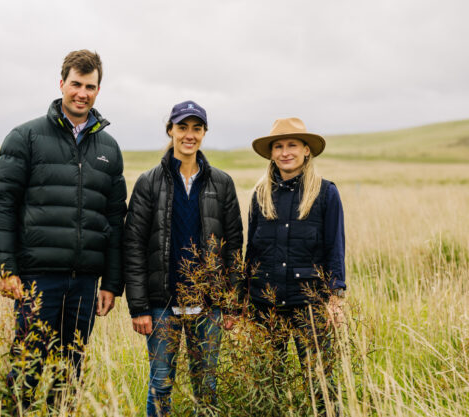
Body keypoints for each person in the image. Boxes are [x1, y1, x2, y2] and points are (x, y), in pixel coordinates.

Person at [0, 50, 127, 404]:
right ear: (61, 83)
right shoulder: (26, 137)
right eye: (76, 84)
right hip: (38, 277)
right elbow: (2, 203)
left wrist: (111, 282)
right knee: (27, 366)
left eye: (90, 86)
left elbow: (114, 219)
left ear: (98, 90)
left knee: (70, 369)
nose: (82, 93)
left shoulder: (109, 148)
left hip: (84, 281)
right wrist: (5, 268)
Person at [124, 100, 243, 416]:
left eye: (196, 128)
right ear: (170, 130)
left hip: (209, 307)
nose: (189, 135)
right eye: (182, 127)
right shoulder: (149, 182)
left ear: (204, 133)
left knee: (207, 388)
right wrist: (139, 307)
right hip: (162, 305)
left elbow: (234, 250)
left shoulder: (222, 183)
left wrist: (231, 303)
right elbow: (133, 246)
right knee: (160, 385)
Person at [246, 117, 345, 414]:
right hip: (267, 304)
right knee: (267, 385)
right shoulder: (260, 194)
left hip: (310, 305)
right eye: (278, 146)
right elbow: (251, 252)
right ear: (272, 152)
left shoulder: (326, 193)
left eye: (292, 145)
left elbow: (335, 249)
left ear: (306, 151)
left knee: (320, 387)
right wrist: (244, 302)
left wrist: (335, 298)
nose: (285, 152)